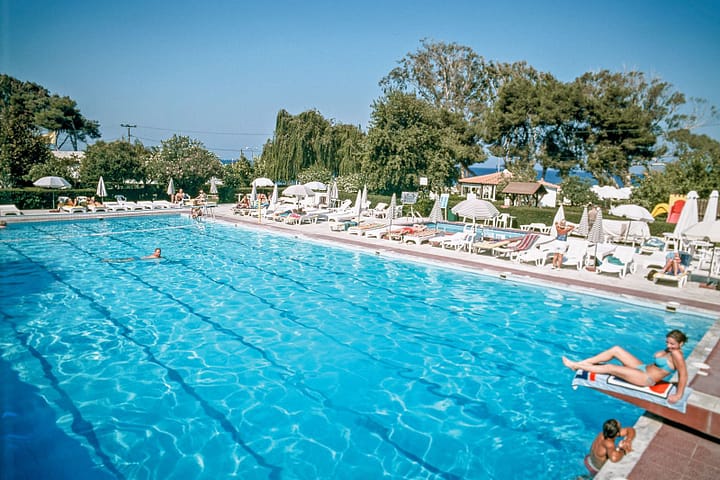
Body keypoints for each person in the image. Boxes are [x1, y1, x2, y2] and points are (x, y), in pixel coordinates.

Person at [562, 329, 688, 404]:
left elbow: (683, 375)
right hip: (642, 368)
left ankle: (576, 366)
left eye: (672, 344)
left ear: (681, 343)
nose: (669, 346)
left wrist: (678, 395)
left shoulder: (677, 355)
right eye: (667, 342)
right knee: (616, 350)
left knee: (610, 368)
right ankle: (584, 363)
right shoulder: (671, 350)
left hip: (645, 378)